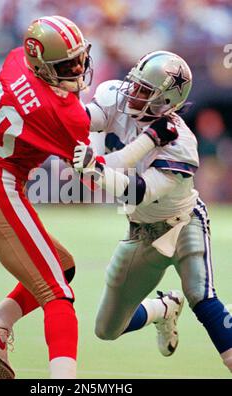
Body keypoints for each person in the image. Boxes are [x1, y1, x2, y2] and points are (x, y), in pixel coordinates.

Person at [73, 50, 232, 373]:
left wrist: (97, 170)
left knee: (203, 299)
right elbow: (81, 119)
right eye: (135, 84)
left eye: (145, 91)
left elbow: (140, 192)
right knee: (106, 329)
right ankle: (163, 308)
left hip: (183, 224)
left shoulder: (180, 142)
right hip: (140, 233)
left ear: (167, 101)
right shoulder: (115, 96)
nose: (133, 93)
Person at [0, 15, 93, 379]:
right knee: (58, 295)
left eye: (79, 59)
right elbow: (92, 173)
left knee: (63, 265)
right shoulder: (65, 114)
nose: (76, 69)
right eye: (67, 65)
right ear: (46, 65)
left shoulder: (17, 57)